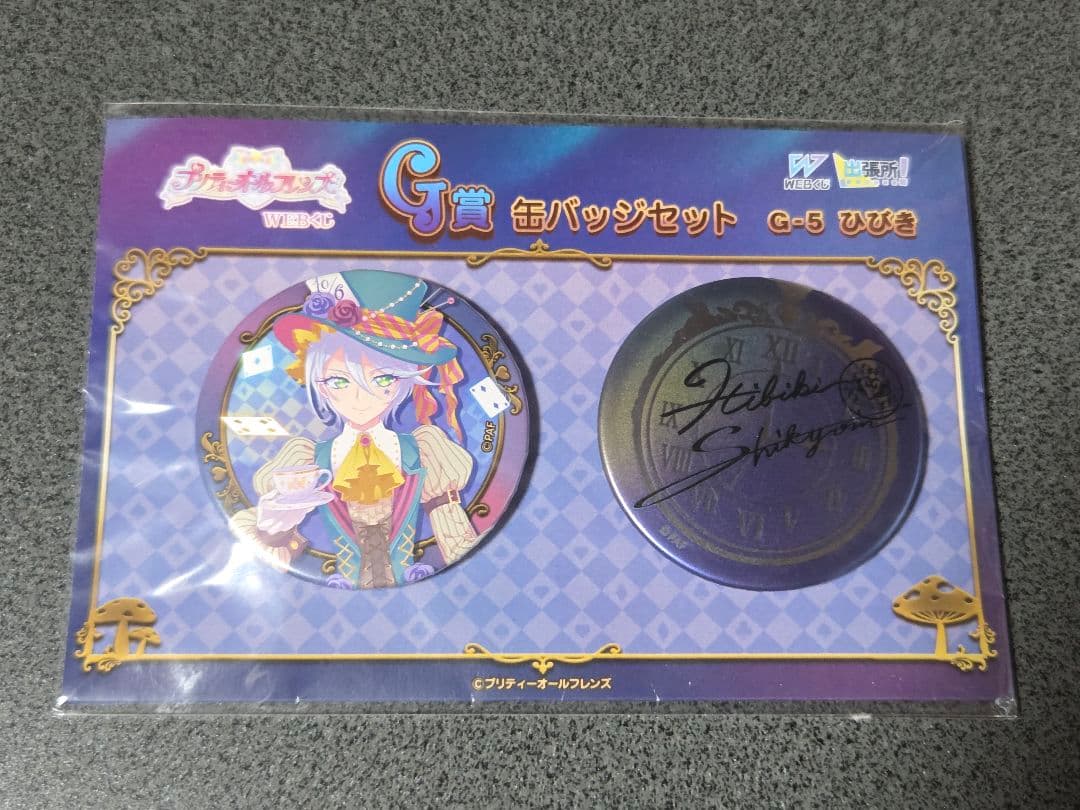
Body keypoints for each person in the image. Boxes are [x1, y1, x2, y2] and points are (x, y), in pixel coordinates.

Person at [229, 270, 479, 588]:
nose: (361, 398)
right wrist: (273, 529)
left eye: (383, 379)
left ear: (405, 380)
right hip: (331, 597)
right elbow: (259, 565)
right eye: (339, 381)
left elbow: (459, 546)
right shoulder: (306, 460)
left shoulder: (427, 452)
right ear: (319, 385)